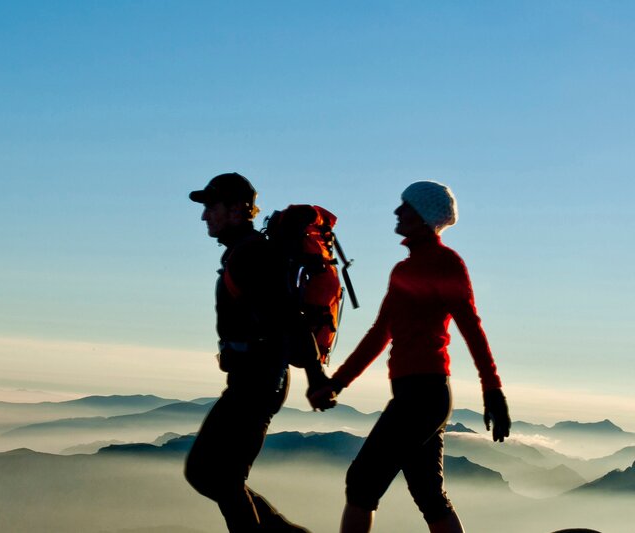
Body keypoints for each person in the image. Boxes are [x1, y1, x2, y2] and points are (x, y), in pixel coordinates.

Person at [308, 181, 511, 533]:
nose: (397, 212)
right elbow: (379, 333)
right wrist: (336, 383)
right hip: (415, 395)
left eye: (405, 206)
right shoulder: (403, 271)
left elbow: (471, 327)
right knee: (429, 494)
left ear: (424, 216)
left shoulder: (446, 263)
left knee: (361, 483)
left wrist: (492, 389)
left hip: (425, 395)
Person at [185, 172, 329, 533]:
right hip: (256, 378)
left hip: (259, 379)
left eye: (210, 207)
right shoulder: (246, 251)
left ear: (236, 209)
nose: (205, 216)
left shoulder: (251, 255)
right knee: (208, 474)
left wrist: (317, 378)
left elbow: (287, 318)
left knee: (218, 477)